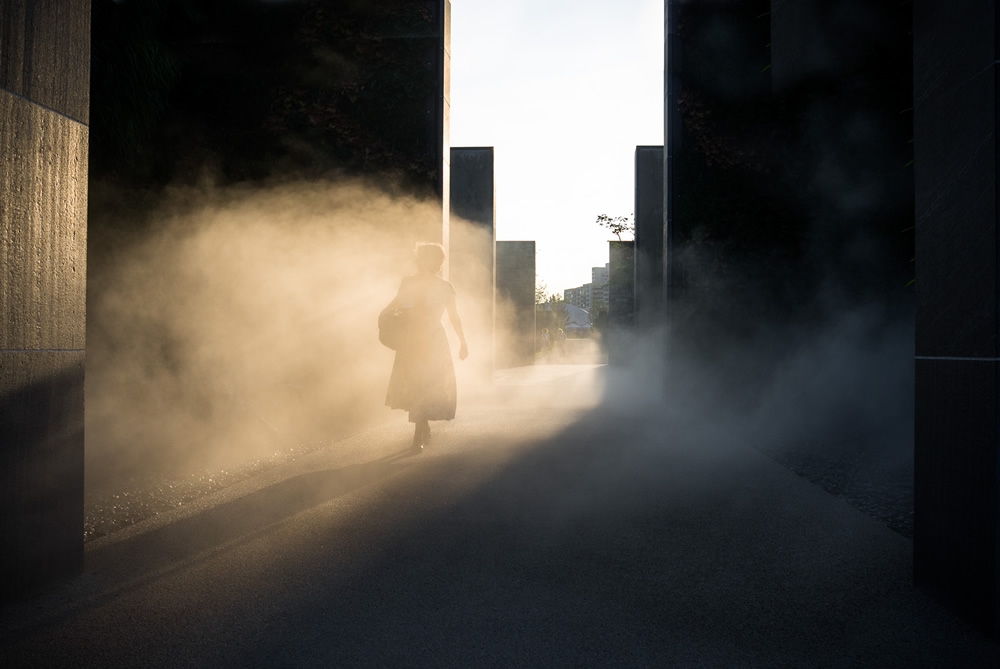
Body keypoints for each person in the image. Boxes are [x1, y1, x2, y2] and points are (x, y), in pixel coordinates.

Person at [384, 242, 468, 453]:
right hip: (413, 340)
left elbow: (453, 316)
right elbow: (396, 305)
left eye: (441, 259)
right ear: (423, 260)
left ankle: (419, 433)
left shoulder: (446, 287)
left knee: (429, 384)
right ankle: (420, 431)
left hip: (435, 341)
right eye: (437, 258)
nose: (440, 263)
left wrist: (463, 341)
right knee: (416, 384)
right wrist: (382, 316)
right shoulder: (409, 283)